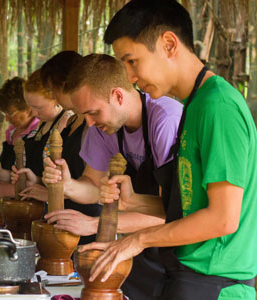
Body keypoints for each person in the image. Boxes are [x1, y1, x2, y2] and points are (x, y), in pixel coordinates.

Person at [83, 1, 257, 299]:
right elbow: (191, 207)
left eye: (131, 61)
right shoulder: (195, 105)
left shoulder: (218, 106)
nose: (129, 77)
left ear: (168, 44)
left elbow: (223, 218)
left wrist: (137, 240)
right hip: (185, 275)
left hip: (214, 284)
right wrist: (135, 201)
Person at [42, 53, 182, 299]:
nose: (89, 122)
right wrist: (69, 185)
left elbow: (172, 213)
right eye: (83, 113)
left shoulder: (165, 120)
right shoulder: (102, 126)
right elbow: (93, 186)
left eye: (93, 112)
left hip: (182, 252)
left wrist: (93, 224)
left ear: (118, 96)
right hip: (136, 250)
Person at [13, 50, 101, 245]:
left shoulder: (96, 125)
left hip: (87, 226)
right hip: (66, 222)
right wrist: (40, 180)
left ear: (66, 85)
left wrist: (57, 191)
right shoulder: (72, 124)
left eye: (53, 92)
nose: (53, 97)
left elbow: (98, 190)